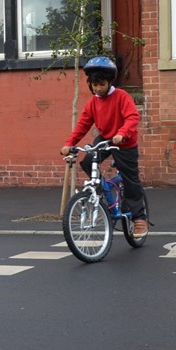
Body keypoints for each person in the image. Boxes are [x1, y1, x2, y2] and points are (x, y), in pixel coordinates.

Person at [59, 56, 149, 237]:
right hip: (106, 139)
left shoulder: (121, 96)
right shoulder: (93, 102)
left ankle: (139, 218)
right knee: (87, 162)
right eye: (94, 85)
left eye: (101, 84)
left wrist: (122, 134)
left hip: (124, 141)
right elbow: (83, 125)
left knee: (130, 179)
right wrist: (69, 144)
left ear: (109, 82)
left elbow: (132, 117)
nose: (97, 88)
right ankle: (102, 192)